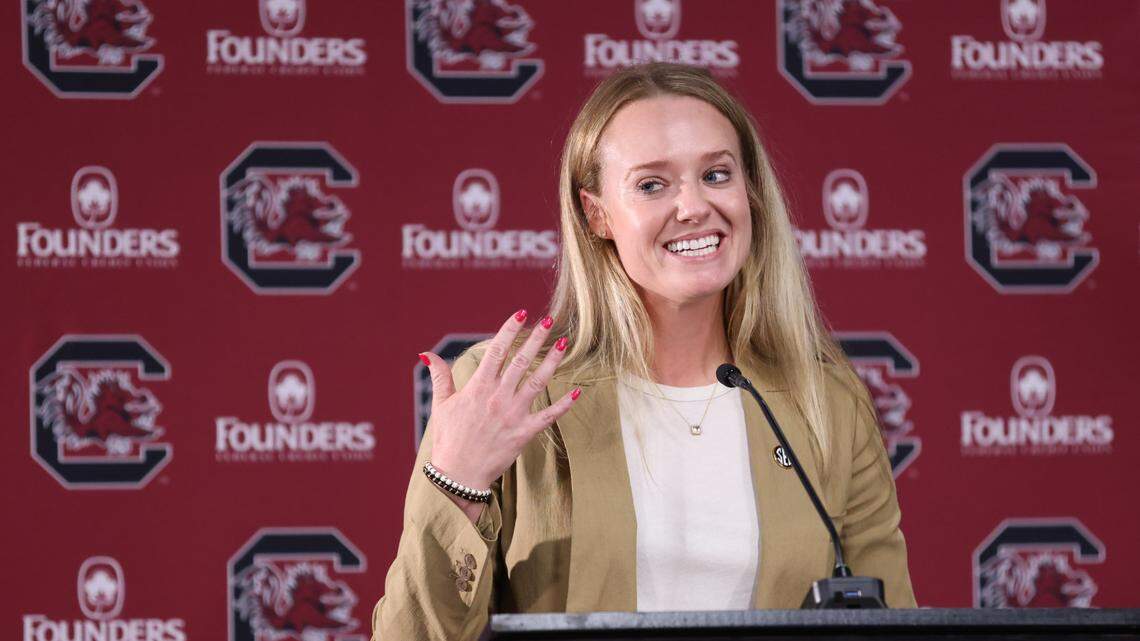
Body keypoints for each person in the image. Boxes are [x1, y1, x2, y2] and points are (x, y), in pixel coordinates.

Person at [373, 62, 915, 641]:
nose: (693, 207)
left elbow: (894, 628)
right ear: (596, 214)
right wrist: (456, 483)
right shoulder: (507, 390)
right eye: (652, 184)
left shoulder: (826, 400)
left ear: (751, 192)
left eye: (716, 174)